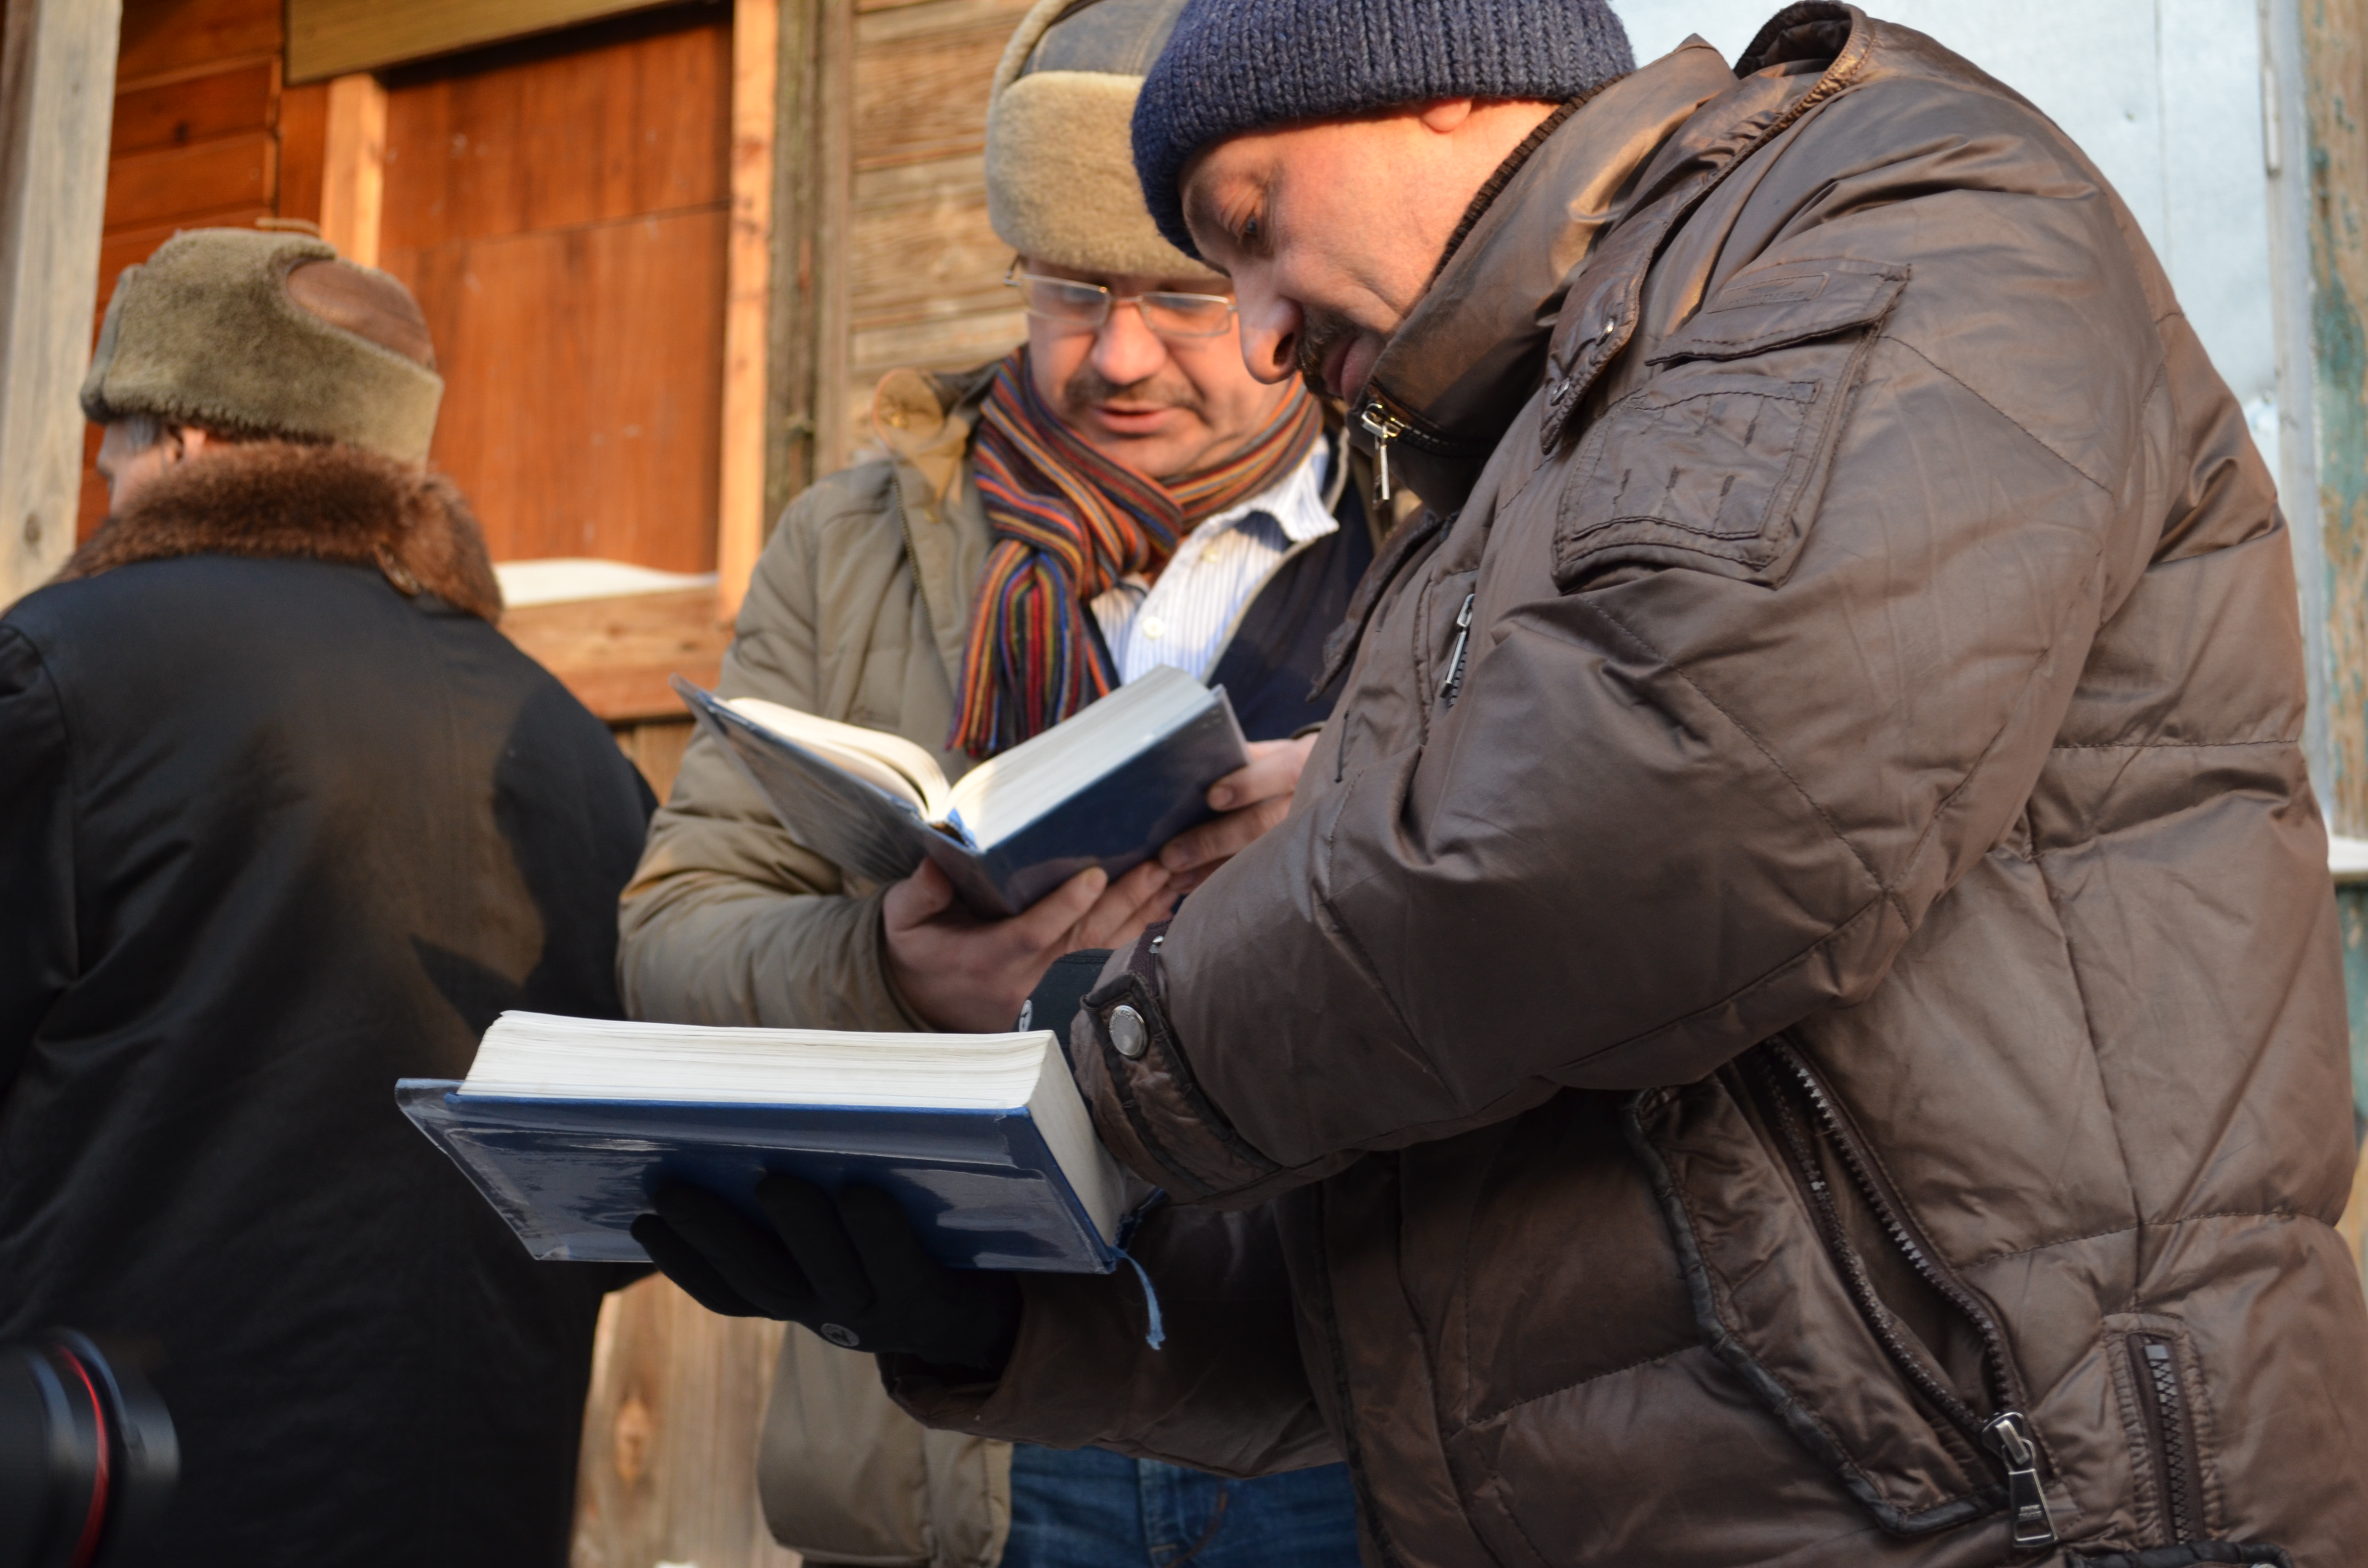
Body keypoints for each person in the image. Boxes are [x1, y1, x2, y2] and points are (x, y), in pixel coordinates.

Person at [636, 3, 2368, 1565]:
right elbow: (1447, 1266)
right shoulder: (1506, 464)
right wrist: (1000, 1307)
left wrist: (1097, 1085)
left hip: (2020, 1503)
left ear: (1441, 78)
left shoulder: (1891, 212)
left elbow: (1688, 813)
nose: (1252, 334)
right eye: (1080, 288)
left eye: (1242, 235)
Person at [614, 2, 1371, 1565]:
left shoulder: (1454, 514)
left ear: (1280, 278)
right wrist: (887, 974)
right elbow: (672, 941)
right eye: (1069, 291)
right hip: (974, 1412)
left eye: (1180, 296)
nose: (1117, 356)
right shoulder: (851, 541)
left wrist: (1367, 819)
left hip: (1342, 1393)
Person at [0, 228, 654, 1567]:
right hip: (482, 1511)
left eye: (112, 447)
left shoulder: (61, 674)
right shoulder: (580, 754)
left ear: (184, 437)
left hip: (114, 1498)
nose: (104, 484)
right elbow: (629, 1197)